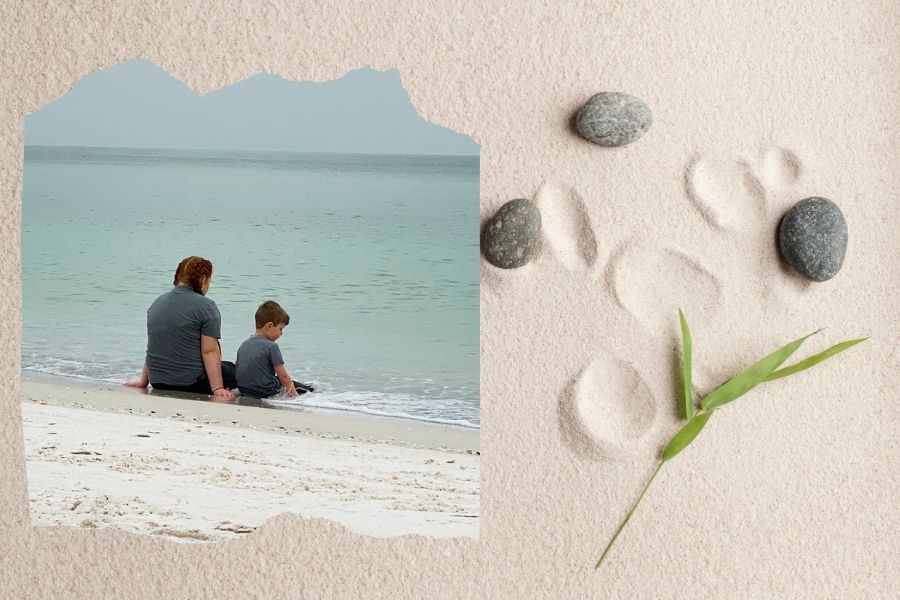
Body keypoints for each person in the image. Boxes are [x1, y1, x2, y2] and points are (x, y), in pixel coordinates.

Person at [125, 256, 236, 401]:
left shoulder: (157, 303)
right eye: (209, 281)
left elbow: (154, 346)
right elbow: (209, 350)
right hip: (191, 383)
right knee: (233, 371)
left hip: (159, 382)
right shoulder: (207, 306)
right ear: (203, 280)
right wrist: (217, 388)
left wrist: (143, 382)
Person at [235, 300, 314, 399]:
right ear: (269, 326)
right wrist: (295, 399)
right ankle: (314, 392)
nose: (281, 333)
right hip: (265, 391)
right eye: (280, 329)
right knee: (300, 387)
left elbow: (239, 370)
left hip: (245, 389)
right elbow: (283, 376)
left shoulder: (244, 344)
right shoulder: (271, 346)